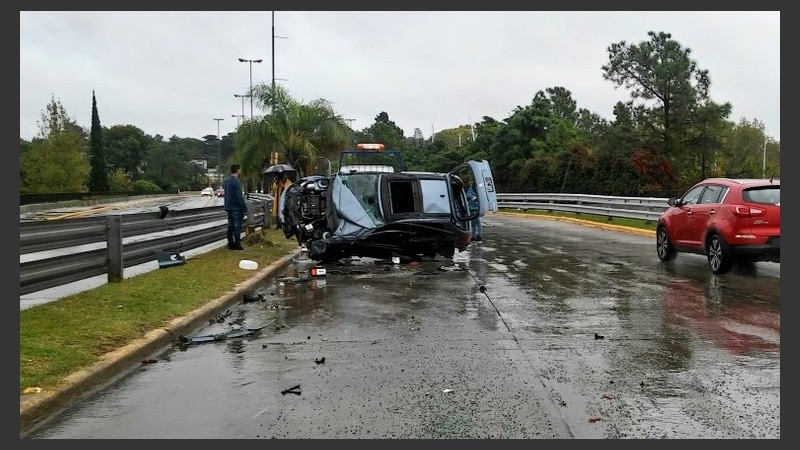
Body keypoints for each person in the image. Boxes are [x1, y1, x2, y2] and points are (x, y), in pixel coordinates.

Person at [222, 164, 247, 250]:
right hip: (236, 207)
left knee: (231, 226)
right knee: (237, 226)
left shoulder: (227, 181)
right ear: (238, 170)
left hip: (228, 207)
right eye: (240, 170)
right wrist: (244, 207)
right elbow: (239, 196)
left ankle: (230, 243)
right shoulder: (237, 181)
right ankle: (237, 243)